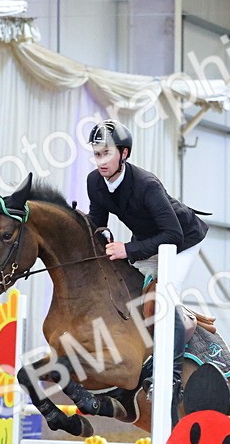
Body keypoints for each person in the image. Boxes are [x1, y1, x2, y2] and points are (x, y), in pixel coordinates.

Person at [85, 119, 208, 421]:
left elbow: (173, 235)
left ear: (124, 154)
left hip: (182, 241)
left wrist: (126, 249)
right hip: (148, 241)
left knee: (163, 299)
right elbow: (97, 221)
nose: (100, 161)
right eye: (96, 154)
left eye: (106, 154)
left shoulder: (146, 185)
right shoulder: (94, 181)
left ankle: (172, 378)